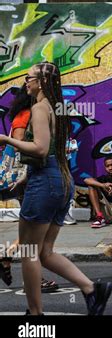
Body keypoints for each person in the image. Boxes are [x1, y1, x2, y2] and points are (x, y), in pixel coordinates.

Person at [0, 62, 112, 315]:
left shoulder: (39, 108)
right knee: (45, 252)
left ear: (40, 82)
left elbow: (39, 148)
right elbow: (51, 152)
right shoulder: (57, 109)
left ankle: (35, 313)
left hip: (45, 183)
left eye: (29, 78)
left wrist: (7, 139)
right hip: (61, 180)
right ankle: (92, 289)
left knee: (29, 252)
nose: (25, 82)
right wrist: (27, 179)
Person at [0, 84, 59, 293]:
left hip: (31, 174)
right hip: (28, 174)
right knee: (34, 228)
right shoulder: (26, 115)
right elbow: (19, 143)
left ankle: (9, 255)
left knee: (32, 226)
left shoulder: (28, 113)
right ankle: (32, 278)